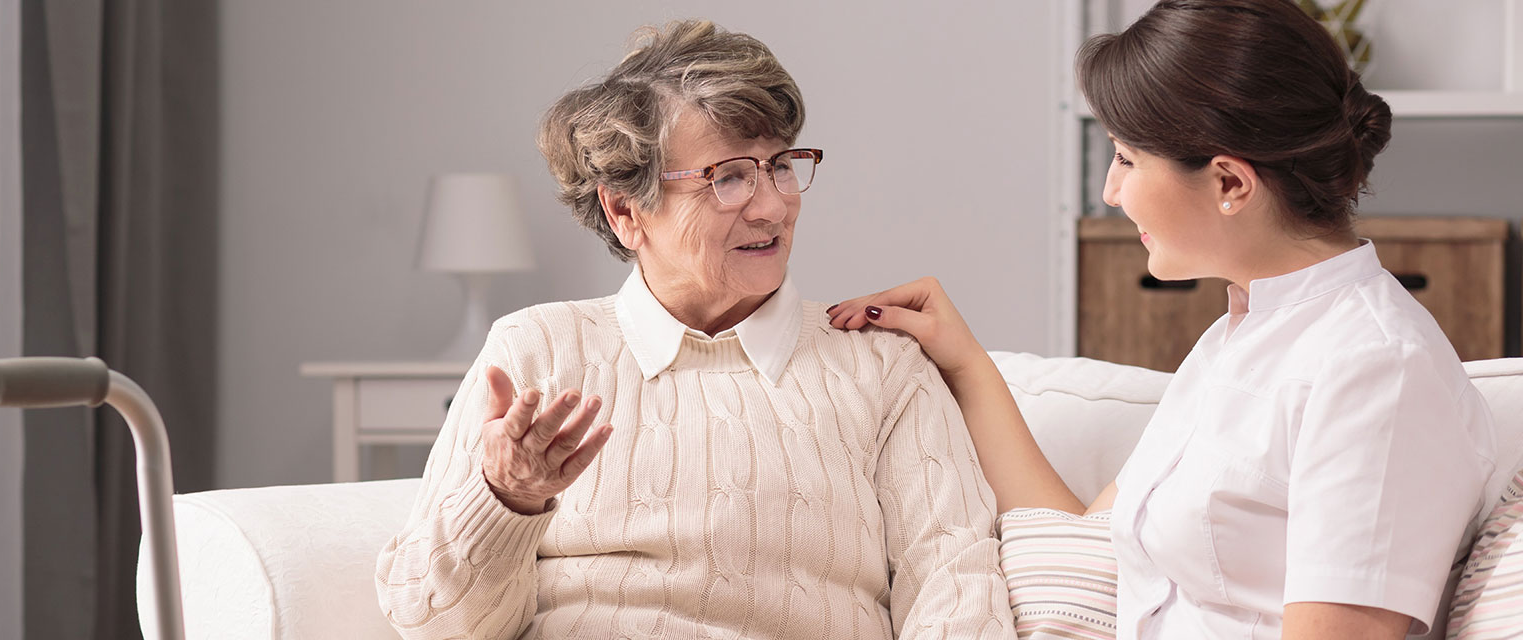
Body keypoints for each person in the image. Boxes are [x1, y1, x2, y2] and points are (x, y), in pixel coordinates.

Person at [828, 1, 1498, 638]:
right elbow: (1090, 538)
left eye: (1125, 159)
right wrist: (965, 362)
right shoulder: (1241, 335)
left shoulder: (1375, 371)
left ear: (1230, 183)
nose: (1109, 191)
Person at [375, 19, 1012, 639]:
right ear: (625, 209)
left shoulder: (881, 366)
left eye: (781, 165)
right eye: (728, 177)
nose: (772, 207)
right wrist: (506, 500)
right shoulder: (536, 350)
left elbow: (957, 597)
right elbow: (436, 625)